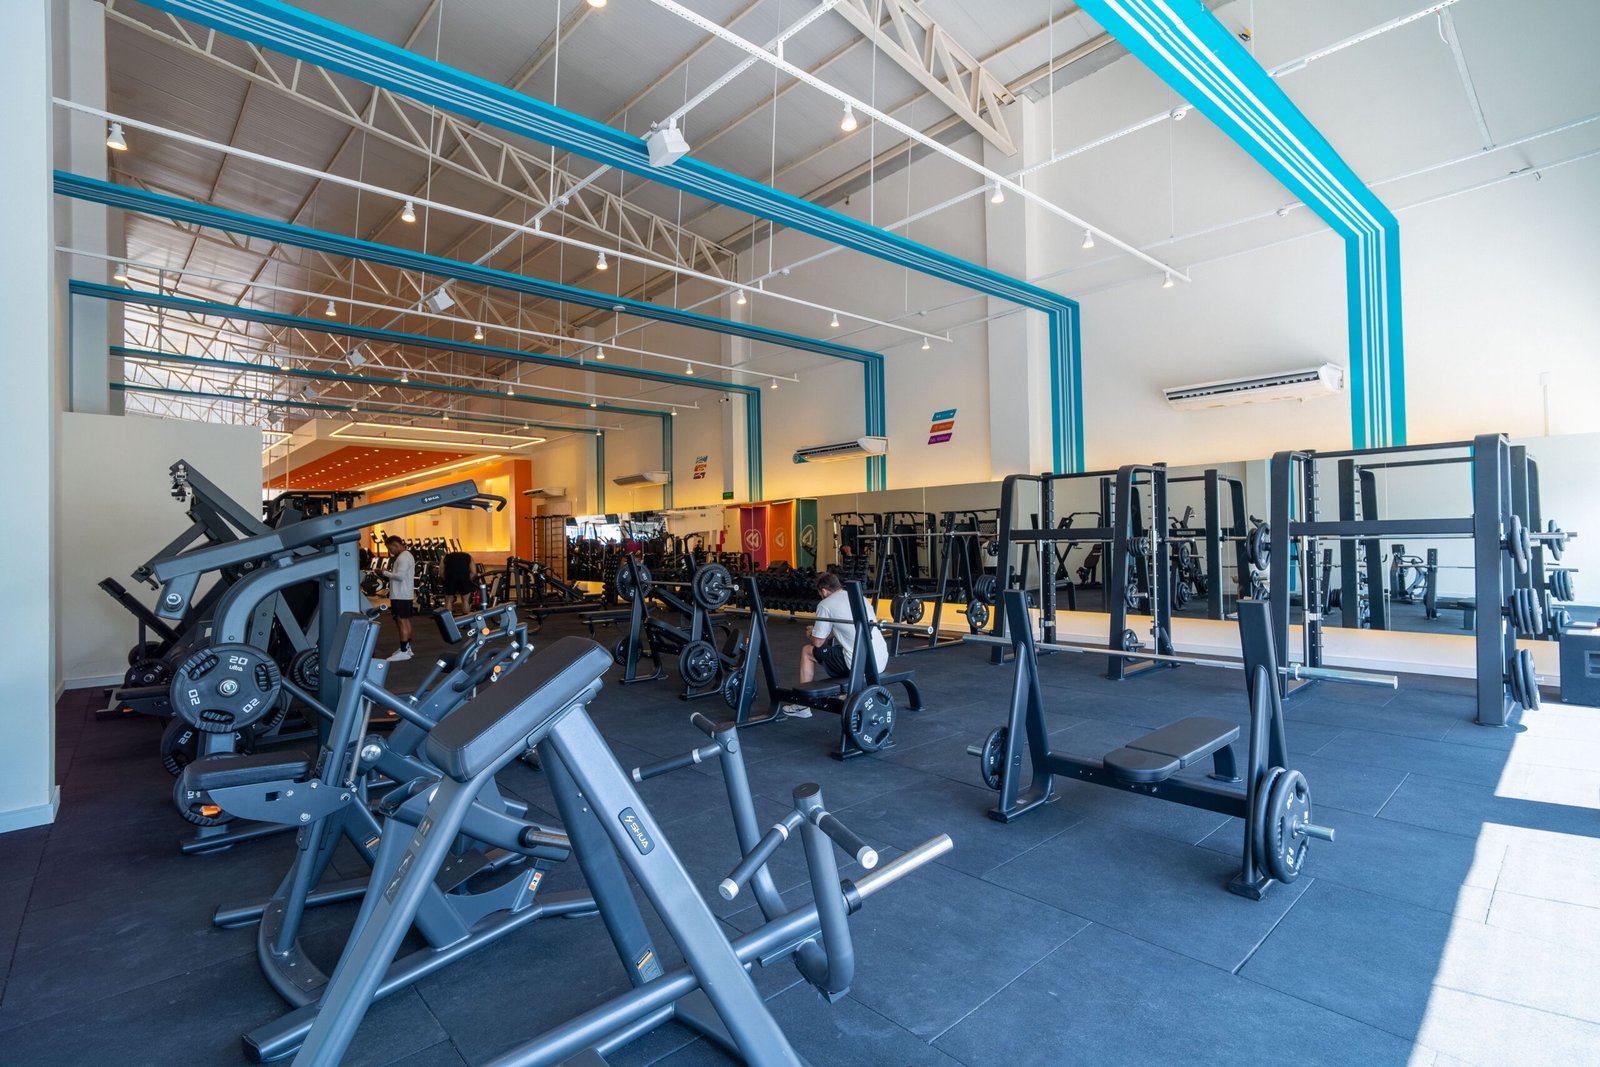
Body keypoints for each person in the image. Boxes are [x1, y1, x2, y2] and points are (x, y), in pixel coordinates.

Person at [781, 571, 889, 719]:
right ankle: (848, 692)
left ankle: (803, 705)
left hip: (859, 665)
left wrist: (811, 634)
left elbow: (818, 642)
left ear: (824, 591)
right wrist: (822, 633)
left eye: (820, 593)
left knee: (807, 651)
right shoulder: (859, 598)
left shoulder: (825, 604)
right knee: (842, 649)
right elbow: (850, 628)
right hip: (880, 659)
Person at [378, 534, 416, 661]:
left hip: (401, 595)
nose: (390, 552)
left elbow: (400, 576)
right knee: (404, 620)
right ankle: (407, 648)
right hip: (403, 594)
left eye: (390, 549)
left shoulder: (403, 557)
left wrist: (384, 572)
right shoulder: (406, 556)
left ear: (396, 545)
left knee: (401, 621)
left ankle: (404, 651)